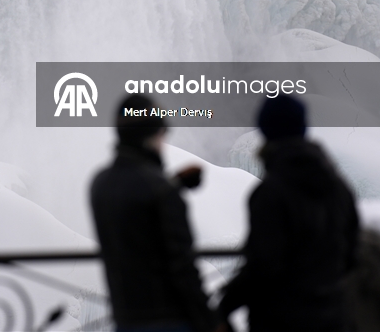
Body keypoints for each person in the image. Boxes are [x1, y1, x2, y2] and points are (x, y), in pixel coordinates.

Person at [217, 94, 359, 332]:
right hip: (333, 319)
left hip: (280, 320)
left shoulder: (271, 193)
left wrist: (224, 306)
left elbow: (264, 266)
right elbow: (351, 255)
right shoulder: (339, 189)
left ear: (265, 131)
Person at [91, 94, 217, 332]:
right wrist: (210, 322)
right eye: (161, 134)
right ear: (151, 137)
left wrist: (172, 184)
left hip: (125, 318)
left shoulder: (100, 185)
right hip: (169, 319)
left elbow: (135, 216)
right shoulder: (161, 192)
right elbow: (183, 267)